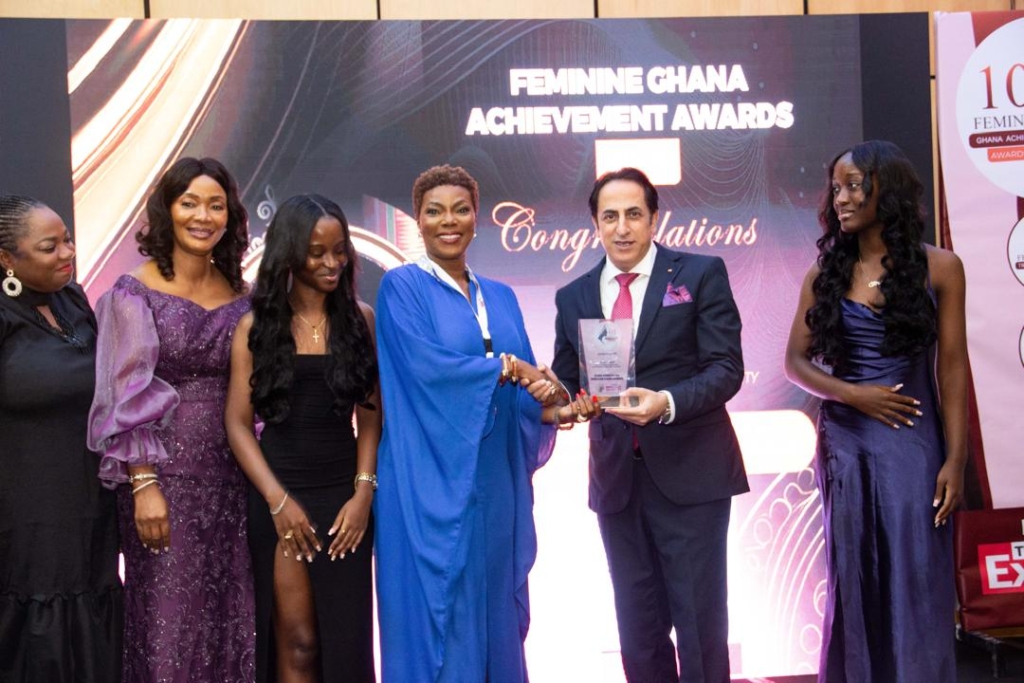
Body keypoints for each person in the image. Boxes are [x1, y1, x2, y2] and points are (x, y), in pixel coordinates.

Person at [374, 164, 590, 683]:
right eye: (435, 211)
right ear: (418, 221)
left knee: (496, 614)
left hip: (495, 477)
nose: (448, 221)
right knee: (442, 618)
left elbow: (525, 395)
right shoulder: (401, 287)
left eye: (461, 209)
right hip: (430, 480)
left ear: (477, 218)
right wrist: (508, 368)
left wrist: (560, 409)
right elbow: (426, 372)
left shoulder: (501, 295)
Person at [551, 167, 748, 682]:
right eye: (609, 216)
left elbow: (726, 369)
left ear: (654, 219)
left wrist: (665, 402)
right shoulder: (572, 296)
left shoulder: (699, 274)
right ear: (595, 223)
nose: (622, 228)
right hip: (617, 482)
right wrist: (566, 405)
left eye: (634, 214)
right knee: (638, 633)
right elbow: (567, 382)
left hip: (693, 476)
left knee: (700, 626)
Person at [784, 140, 966, 682]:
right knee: (855, 574)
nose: (841, 198)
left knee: (915, 572)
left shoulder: (942, 267)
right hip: (845, 443)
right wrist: (853, 394)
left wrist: (956, 459)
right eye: (836, 188)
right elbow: (794, 363)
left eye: (854, 185)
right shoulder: (824, 273)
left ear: (888, 189)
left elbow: (952, 368)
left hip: (913, 440)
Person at [87, 157, 256, 682]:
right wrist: (143, 485)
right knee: (167, 627)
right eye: (189, 203)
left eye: (215, 205)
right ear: (167, 209)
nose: (203, 216)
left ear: (230, 216)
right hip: (163, 484)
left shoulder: (244, 295)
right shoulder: (132, 293)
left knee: (231, 625)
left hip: (234, 483)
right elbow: (123, 394)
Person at [225, 194, 380, 682]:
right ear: (290, 254)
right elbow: (237, 424)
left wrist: (362, 494)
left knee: (346, 642)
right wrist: (277, 501)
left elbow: (370, 418)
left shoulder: (361, 319)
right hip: (279, 495)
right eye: (317, 253)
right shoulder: (255, 326)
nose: (332, 262)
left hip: (343, 499)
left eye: (339, 250)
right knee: (298, 642)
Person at [0, 196, 122, 682]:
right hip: (25, 514)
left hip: (90, 504)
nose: (68, 252)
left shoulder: (73, 299)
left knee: (92, 616)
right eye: (49, 247)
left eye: (67, 240)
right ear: (6, 259)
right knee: (38, 631)